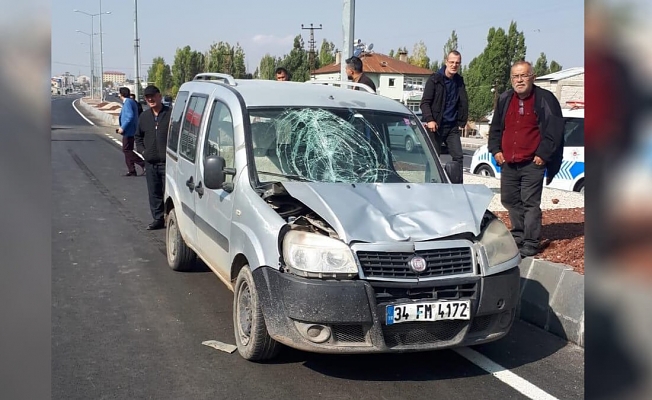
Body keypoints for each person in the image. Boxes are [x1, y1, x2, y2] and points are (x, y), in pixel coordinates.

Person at [488, 60, 565, 257]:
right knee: (510, 200)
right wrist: (495, 149)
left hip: (532, 162)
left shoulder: (545, 99)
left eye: (523, 75)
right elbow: (496, 127)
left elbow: (555, 131)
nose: (519, 80)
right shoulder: (505, 99)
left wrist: (543, 155)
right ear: (511, 79)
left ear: (533, 77)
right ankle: (518, 236)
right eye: (515, 76)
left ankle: (531, 241)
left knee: (530, 203)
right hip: (509, 162)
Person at [419, 50, 468, 182]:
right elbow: (424, 103)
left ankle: (457, 186)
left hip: (452, 127)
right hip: (435, 126)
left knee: (458, 157)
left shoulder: (459, 81)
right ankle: (431, 184)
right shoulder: (435, 79)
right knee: (433, 158)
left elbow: (463, 102)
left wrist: (462, 120)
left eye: (457, 63)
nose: (454, 65)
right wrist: (430, 120)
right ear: (446, 62)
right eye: (451, 62)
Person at [135, 85, 171, 230]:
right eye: (147, 97)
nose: (150, 99)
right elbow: (138, 137)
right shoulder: (144, 117)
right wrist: (143, 152)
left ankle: (170, 218)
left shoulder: (170, 114)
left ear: (159, 96)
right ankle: (158, 219)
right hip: (150, 163)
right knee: (154, 192)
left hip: (167, 163)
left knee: (168, 192)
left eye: (153, 96)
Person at [117, 87, 145, 176]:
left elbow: (130, 116)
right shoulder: (130, 101)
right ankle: (132, 170)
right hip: (130, 130)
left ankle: (143, 164)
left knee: (126, 149)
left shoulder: (128, 102)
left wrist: (123, 128)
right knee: (128, 150)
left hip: (129, 131)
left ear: (121, 94)